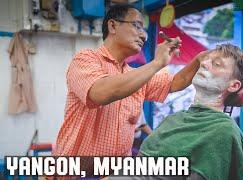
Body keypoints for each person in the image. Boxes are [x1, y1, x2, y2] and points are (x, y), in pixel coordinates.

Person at [53, 4, 205, 174]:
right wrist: (156, 63)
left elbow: (177, 81)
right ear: (113, 26)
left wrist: (199, 60)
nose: (144, 35)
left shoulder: (134, 76)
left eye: (144, 29)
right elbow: (102, 93)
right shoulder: (85, 59)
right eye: (137, 26)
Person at [138, 44, 243, 180]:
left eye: (216, 64)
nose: (203, 63)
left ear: (233, 85)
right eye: (206, 59)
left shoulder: (224, 132)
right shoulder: (173, 119)